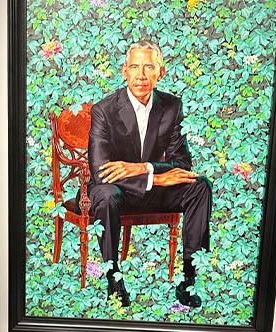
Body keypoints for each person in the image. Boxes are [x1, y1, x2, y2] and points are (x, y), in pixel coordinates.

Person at [82, 40, 212, 308]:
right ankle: (113, 279)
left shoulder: (172, 107)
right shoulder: (104, 110)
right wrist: (154, 177)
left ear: (160, 73)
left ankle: (189, 279)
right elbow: (99, 170)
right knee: (105, 195)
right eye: (134, 67)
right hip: (114, 190)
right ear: (124, 71)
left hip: (152, 190)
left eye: (149, 67)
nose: (141, 75)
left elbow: (181, 164)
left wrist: (146, 169)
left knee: (200, 185)